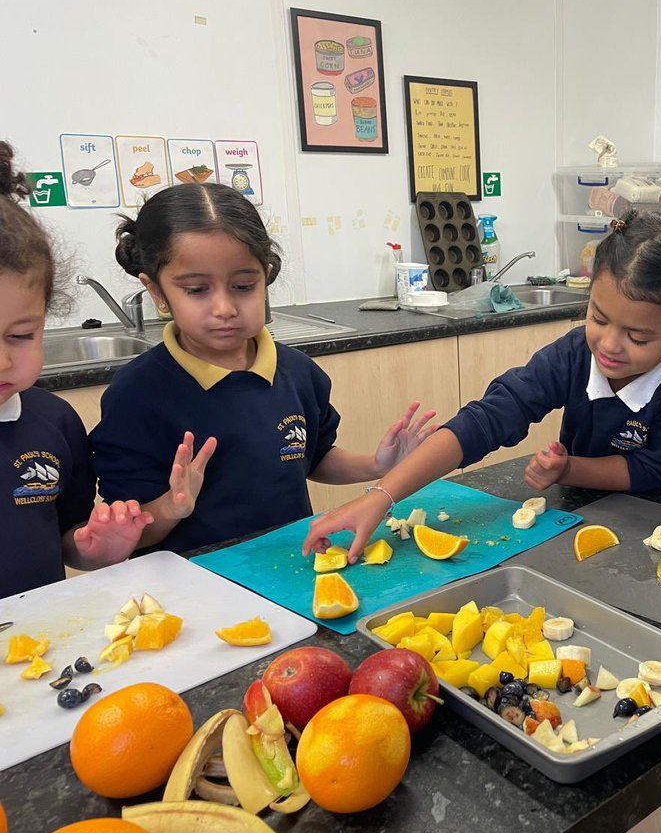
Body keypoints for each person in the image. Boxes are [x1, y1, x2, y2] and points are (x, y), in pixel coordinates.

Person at [303, 210, 661, 561]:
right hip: (577, 511)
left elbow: (655, 469)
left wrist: (569, 468)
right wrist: (381, 496)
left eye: (638, 337)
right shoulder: (576, 353)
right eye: (598, 318)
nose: (609, 345)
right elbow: (487, 419)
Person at [90, 183, 436, 554]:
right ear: (156, 290)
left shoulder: (299, 373)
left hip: (290, 566)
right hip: (190, 584)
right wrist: (170, 508)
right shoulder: (137, 394)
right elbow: (126, 532)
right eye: (196, 290)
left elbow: (314, 457)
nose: (224, 307)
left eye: (242, 285)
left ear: (265, 276)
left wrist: (376, 464)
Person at [0, 142, 151, 597]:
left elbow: (68, 542)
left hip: (37, 652)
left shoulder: (55, 423)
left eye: (21, 336)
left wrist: (99, 549)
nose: (3, 361)